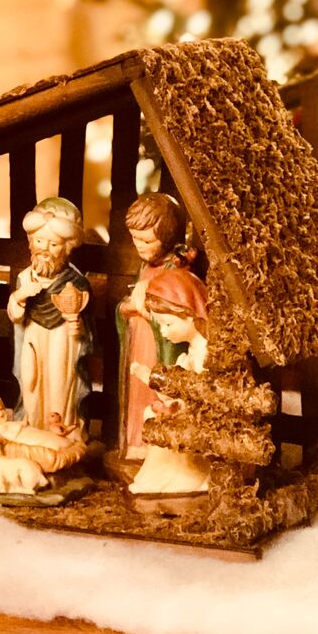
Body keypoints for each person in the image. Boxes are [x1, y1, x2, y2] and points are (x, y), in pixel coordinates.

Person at [116, 193, 196, 458]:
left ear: (168, 237)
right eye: (135, 239)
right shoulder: (146, 266)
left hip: (159, 341)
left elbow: (175, 309)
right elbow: (131, 303)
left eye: (147, 240)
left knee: (155, 389)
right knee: (137, 389)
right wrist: (126, 309)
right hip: (139, 338)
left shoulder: (176, 268)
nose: (140, 246)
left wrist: (147, 303)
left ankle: (155, 451)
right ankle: (135, 444)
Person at [7, 197, 91, 436]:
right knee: (31, 380)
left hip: (62, 339)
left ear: (67, 248)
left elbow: (87, 328)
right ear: (30, 242)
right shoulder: (25, 278)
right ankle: (33, 426)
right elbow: (15, 316)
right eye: (39, 241)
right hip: (33, 335)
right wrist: (21, 296)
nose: (44, 249)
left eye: (53, 244)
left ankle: (61, 429)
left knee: (59, 380)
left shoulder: (76, 282)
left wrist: (79, 328)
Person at [128, 267, 212, 495]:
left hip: (205, 418)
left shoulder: (206, 353)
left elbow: (201, 393)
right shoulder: (193, 349)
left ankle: (187, 476)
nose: (163, 332)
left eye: (168, 324)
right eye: (160, 325)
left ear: (190, 315)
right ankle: (158, 477)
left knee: (163, 421)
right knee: (152, 414)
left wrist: (154, 380)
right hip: (190, 409)